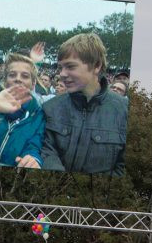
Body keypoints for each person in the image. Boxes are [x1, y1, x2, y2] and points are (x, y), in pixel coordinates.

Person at [41, 33, 127, 175]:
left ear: (96, 66)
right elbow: (46, 151)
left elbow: (122, 167)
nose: (62, 74)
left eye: (70, 66)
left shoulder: (124, 111)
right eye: (60, 67)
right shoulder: (50, 107)